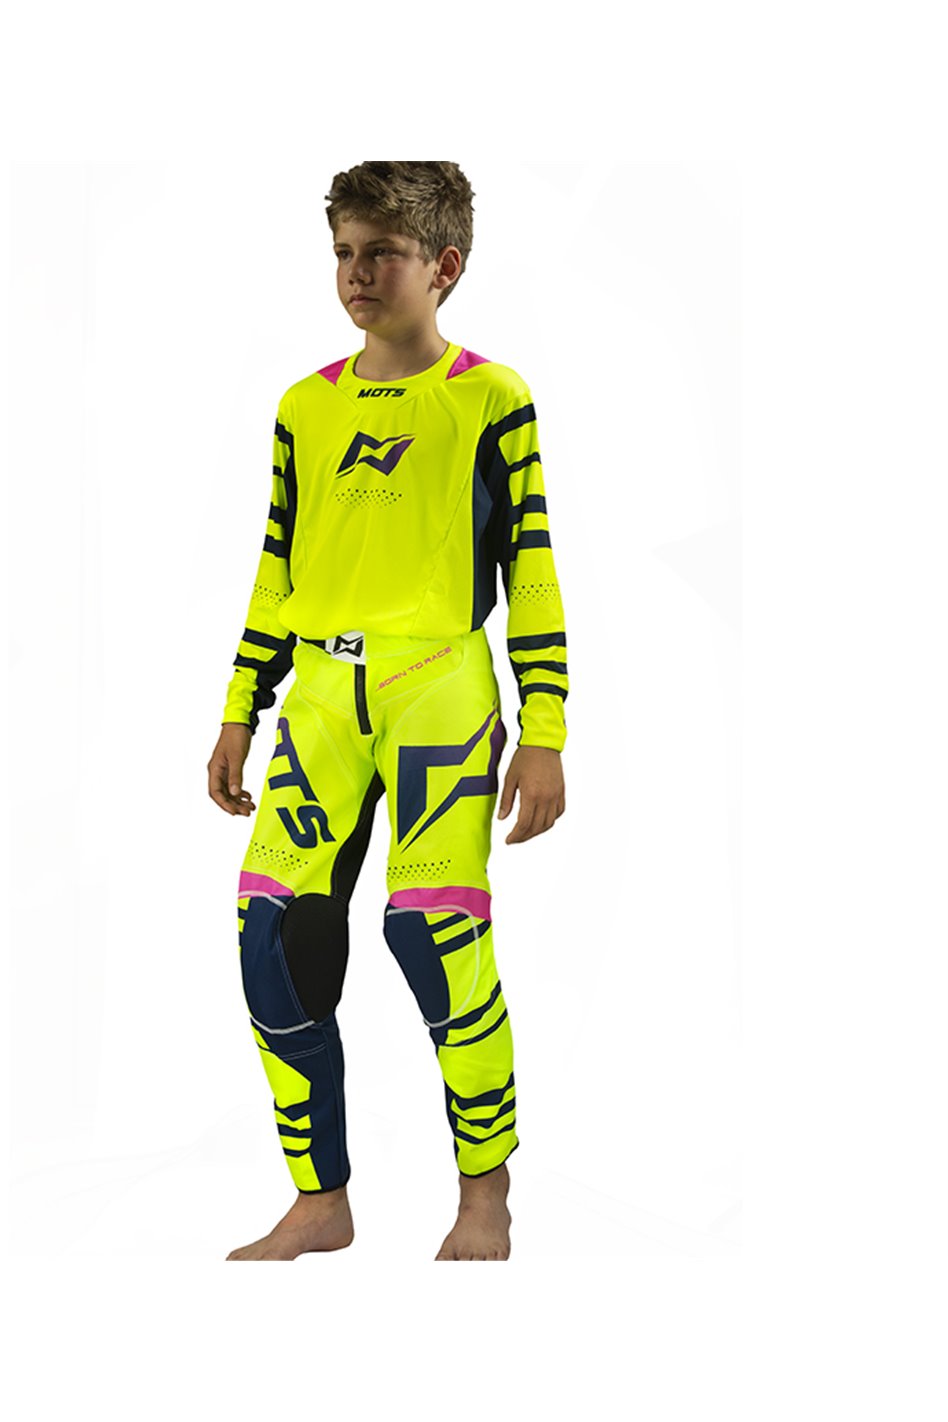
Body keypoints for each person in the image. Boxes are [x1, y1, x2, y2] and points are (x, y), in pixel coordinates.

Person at [208, 161, 568, 1260]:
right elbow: (277, 565)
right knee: (270, 937)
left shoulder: (490, 396)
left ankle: (484, 1198)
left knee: (432, 929)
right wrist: (239, 708)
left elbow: (532, 567)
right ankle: (321, 1202)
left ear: (443, 266)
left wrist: (544, 729)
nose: (356, 274)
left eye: (382, 254)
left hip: (438, 688)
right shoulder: (304, 407)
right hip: (320, 694)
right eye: (343, 254)